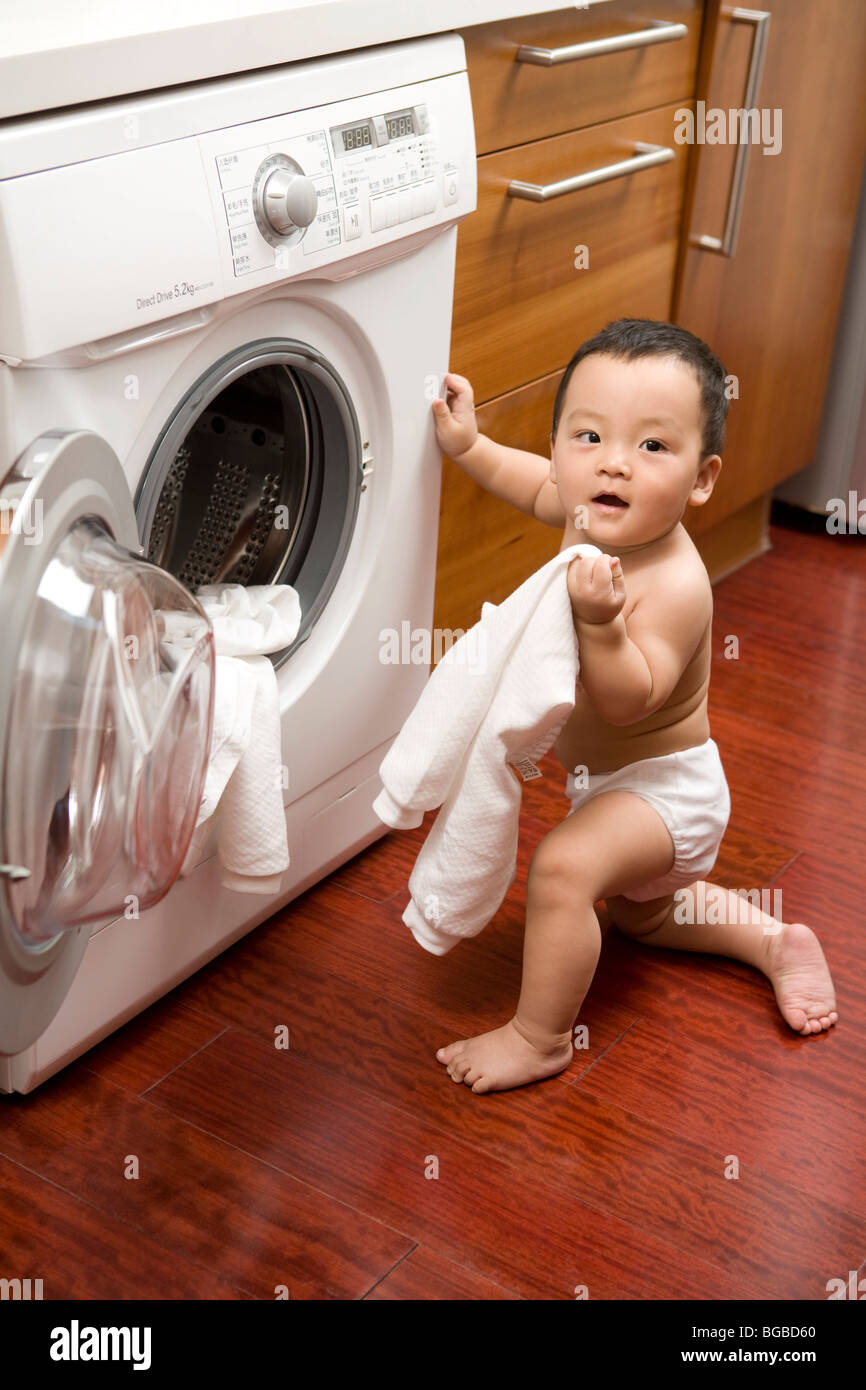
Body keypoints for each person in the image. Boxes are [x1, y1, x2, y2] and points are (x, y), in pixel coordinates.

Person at [429, 317, 837, 1094]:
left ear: (703, 477)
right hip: (608, 787)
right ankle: (773, 940)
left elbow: (626, 701)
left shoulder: (675, 583)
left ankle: (540, 1037)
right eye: (587, 436)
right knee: (647, 918)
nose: (612, 463)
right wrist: (469, 446)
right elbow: (535, 486)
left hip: (668, 793)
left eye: (652, 446)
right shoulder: (586, 508)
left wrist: (600, 622)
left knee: (564, 871)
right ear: (559, 447)